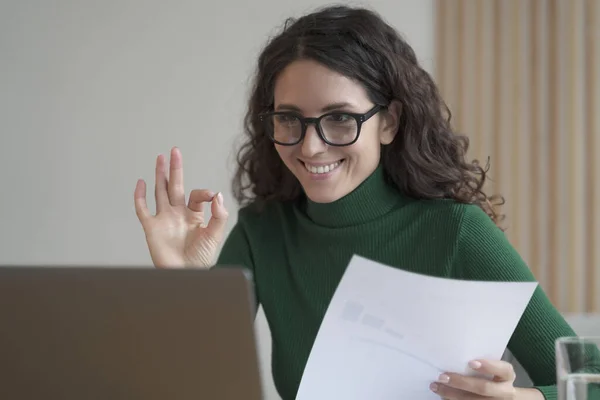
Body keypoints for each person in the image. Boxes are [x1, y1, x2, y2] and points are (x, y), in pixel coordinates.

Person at [134, 5, 576, 400]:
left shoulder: (458, 231)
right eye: (289, 119)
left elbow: (590, 377)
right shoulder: (261, 233)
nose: (310, 147)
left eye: (340, 118)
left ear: (389, 122)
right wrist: (182, 284)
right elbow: (186, 384)